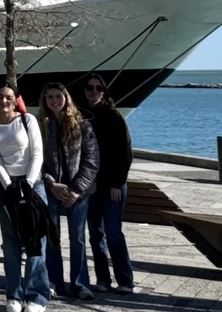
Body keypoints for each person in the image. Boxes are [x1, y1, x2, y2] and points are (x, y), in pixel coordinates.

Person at [0, 83, 50, 312]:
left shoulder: (27, 120)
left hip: (32, 183)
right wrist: (9, 186)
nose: (4, 101)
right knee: (10, 241)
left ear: (16, 99)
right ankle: (13, 294)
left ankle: (36, 295)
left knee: (35, 240)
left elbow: (37, 153)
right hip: (6, 186)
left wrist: (28, 184)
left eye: (9, 97)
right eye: (0, 97)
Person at [39, 83, 99, 299]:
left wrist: (77, 189)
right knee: (52, 237)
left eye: (58, 96)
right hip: (52, 190)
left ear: (66, 98)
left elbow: (92, 160)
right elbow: (35, 160)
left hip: (78, 192)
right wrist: (50, 184)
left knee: (78, 238)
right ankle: (54, 281)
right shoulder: (40, 126)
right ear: (44, 101)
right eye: (50, 97)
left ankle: (80, 283)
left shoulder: (82, 124)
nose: (54, 101)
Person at [81, 74, 135, 294]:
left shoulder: (114, 116)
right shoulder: (81, 116)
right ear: (84, 91)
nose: (94, 91)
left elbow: (125, 152)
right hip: (91, 185)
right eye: (90, 87)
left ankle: (125, 280)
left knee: (113, 232)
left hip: (113, 185)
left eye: (98, 88)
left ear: (104, 91)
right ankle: (103, 279)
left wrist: (117, 183)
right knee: (95, 233)